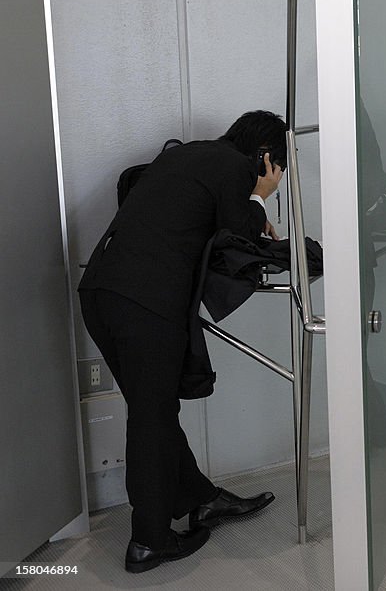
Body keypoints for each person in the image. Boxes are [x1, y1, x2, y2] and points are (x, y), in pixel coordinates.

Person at [78, 111, 285, 572]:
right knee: (151, 418)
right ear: (265, 156)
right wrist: (260, 197)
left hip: (101, 292)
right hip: (144, 302)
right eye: (276, 167)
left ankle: (203, 498)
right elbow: (238, 239)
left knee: (154, 410)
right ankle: (149, 542)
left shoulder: (189, 154)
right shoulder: (236, 168)